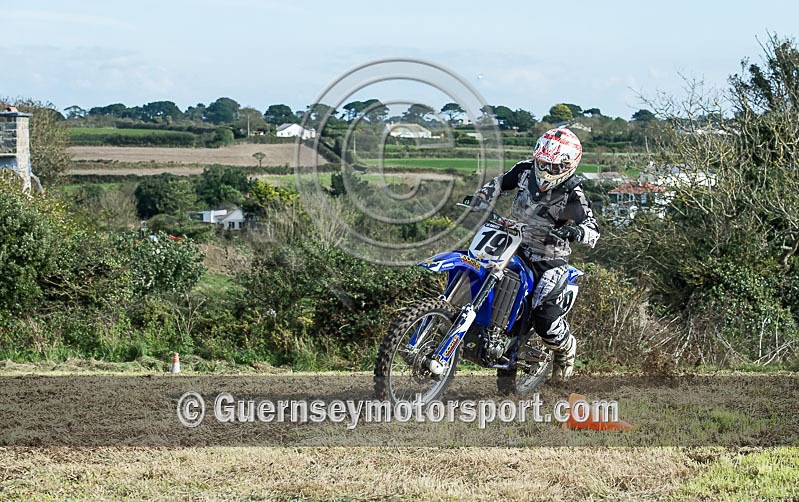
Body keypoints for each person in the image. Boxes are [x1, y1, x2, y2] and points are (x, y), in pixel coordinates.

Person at [470, 128, 599, 382]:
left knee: (544, 317)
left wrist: (576, 231)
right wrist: (482, 197)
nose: (545, 170)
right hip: (513, 241)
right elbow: (499, 183)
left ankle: (565, 349)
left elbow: (593, 230)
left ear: (567, 166)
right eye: (542, 163)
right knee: (477, 268)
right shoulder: (525, 170)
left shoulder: (574, 193)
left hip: (549, 256)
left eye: (552, 167)